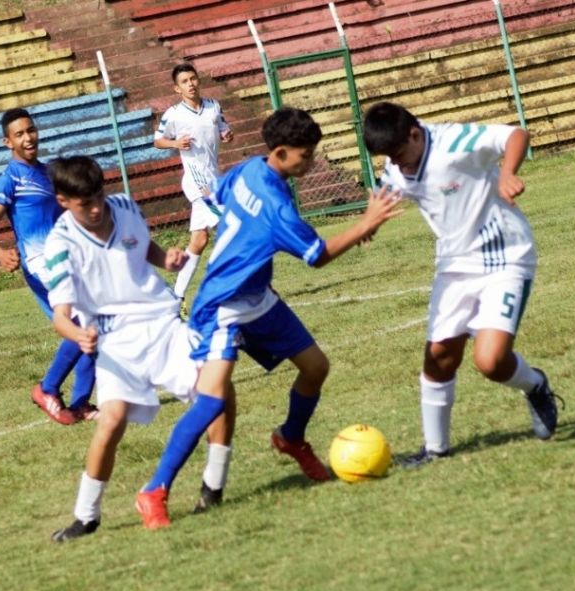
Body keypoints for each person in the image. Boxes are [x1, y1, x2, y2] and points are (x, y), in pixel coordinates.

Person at [134, 107, 404, 529]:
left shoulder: (247, 168)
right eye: (305, 155)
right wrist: (365, 222)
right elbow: (318, 257)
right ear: (280, 152)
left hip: (257, 295)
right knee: (211, 401)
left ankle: (290, 438)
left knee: (315, 367)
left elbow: (221, 200)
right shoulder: (278, 209)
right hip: (222, 305)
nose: (310, 162)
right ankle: (154, 490)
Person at [42, 156, 236, 541]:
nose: (97, 209)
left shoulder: (126, 206)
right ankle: (86, 516)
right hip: (115, 340)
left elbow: (142, 247)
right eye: (85, 204)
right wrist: (78, 335)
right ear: (63, 201)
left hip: (163, 323)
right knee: (111, 421)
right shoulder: (60, 245)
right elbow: (60, 315)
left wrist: (166, 258)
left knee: (219, 391)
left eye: (99, 197)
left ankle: (213, 488)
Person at [362, 101, 562, 468]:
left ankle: (535, 386)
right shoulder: (396, 162)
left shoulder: (455, 141)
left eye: (401, 154)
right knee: (439, 356)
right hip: (453, 265)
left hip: (505, 256)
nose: (397, 163)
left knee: (490, 361)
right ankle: (435, 450)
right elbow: (390, 190)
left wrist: (506, 172)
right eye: (389, 158)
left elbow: (516, 134)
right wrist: (371, 221)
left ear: (415, 133)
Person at [0, 108, 96, 426]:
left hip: (66, 259)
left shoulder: (49, 172)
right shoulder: (10, 178)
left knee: (95, 322)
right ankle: (47, 389)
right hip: (39, 264)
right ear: (7, 142)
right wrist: (0, 254)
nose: (28, 138)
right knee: (82, 323)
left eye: (31, 130)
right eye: (19, 134)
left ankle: (81, 404)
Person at [153, 63, 234, 312]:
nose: (190, 84)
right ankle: (232, 288)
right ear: (177, 88)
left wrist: (227, 134)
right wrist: (175, 142)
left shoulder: (213, 106)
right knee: (231, 227)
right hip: (198, 182)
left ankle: (175, 297)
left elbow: (223, 127)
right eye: (185, 81)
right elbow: (157, 141)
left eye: (193, 78)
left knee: (199, 240)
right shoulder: (174, 114)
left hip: (214, 176)